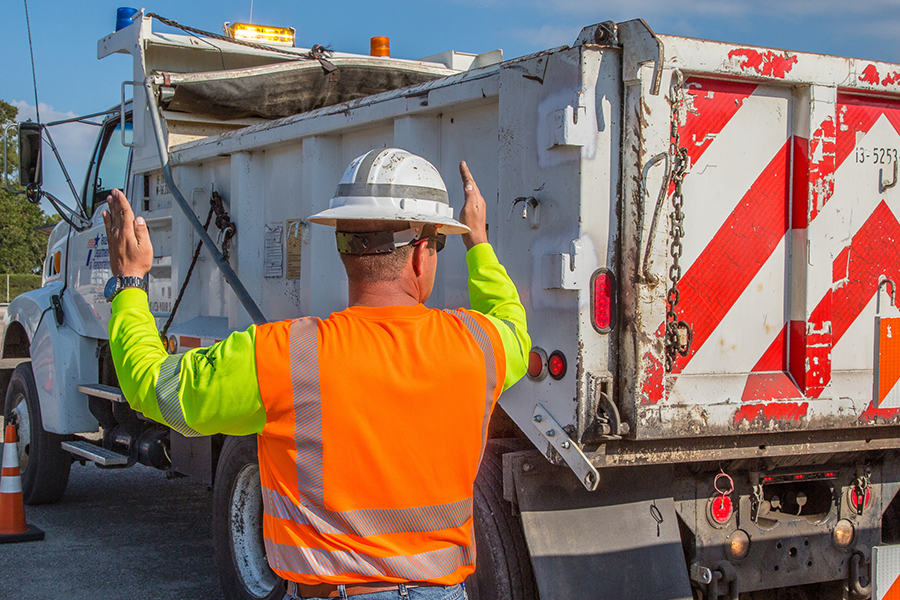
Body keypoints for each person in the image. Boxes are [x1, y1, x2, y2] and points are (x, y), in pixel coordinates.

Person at [103, 148, 529, 600]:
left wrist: (129, 284)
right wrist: (478, 243)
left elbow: (154, 386)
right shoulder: (478, 346)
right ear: (422, 256)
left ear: (342, 246)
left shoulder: (284, 355)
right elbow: (512, 324)